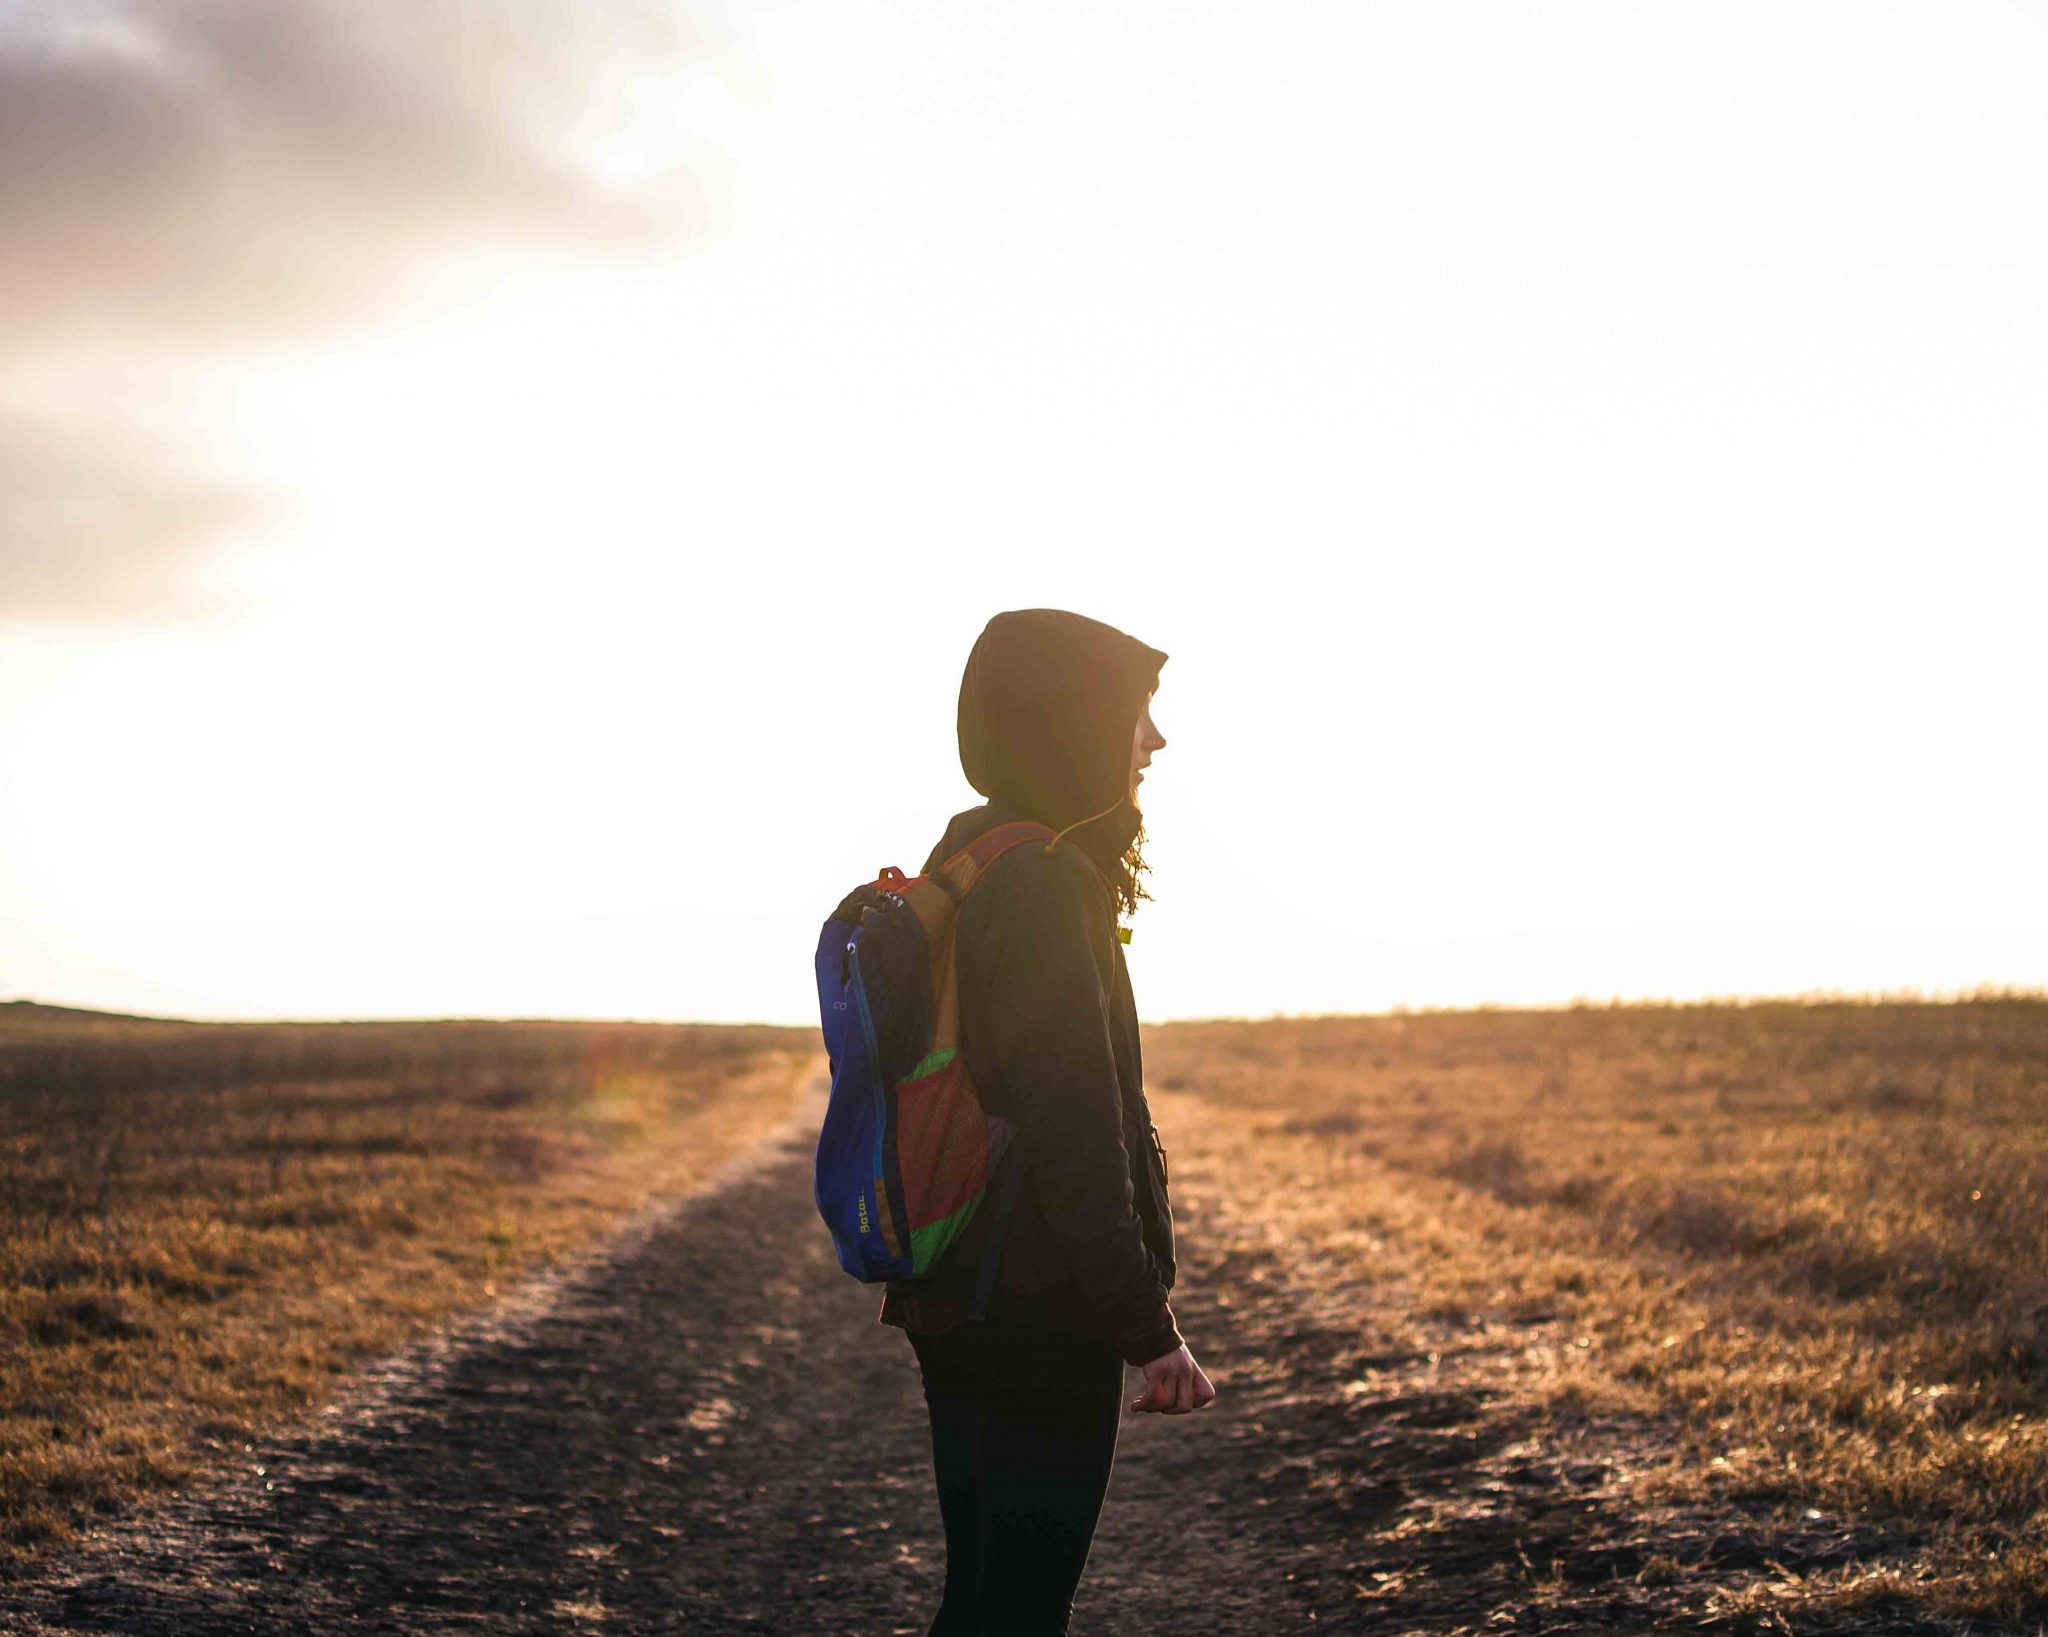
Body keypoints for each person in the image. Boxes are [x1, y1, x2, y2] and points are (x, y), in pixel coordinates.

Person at [881, 607, 1217, 1636]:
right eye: (1135, 713)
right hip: (1034, 1301)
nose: (1154, 741)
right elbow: (1077, 1128)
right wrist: (1148, 1330)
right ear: (1074, 720)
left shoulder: (974, 855)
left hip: (961, 1282)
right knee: (1018, 1610)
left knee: (983, 1600)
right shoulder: (1043, 886)